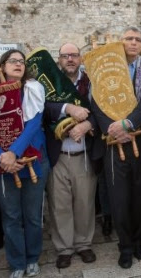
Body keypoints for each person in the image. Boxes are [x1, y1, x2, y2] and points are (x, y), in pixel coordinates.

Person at [90, 26, 141, 269]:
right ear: (120, 42)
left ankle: (139, 241)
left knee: (140, 197)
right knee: (119, 197)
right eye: (129, 38)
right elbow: (96, 102)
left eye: (138, 39)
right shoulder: (104, 67)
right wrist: (113, 128)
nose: (133, 42)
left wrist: (128, 124)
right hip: (114, 141)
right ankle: (125, 246)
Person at [0, 49, 49, 278]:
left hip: (30, 160)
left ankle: (32, 259)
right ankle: (17, 263)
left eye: (21, 61)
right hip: (0, 164)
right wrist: (2, 156)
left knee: (32, 215)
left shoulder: (32, 89)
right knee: (11, 217)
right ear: (2, 66)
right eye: (13, 61)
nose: (18, 64)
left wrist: (15, 152)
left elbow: (34, 123)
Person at [44, 43, 97, 268]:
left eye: (74, 55)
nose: (70, 59)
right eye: (65, 56)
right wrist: (67, 108)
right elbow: (43, 108)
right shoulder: (48, 83)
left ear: (80, 58)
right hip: (58, 155)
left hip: (84, 154)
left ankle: (84, 244)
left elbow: (104, 111)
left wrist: (87, 125)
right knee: (60, 204)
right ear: (59, 59)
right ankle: (64, 248)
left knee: (85, 203)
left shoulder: (91, 81)